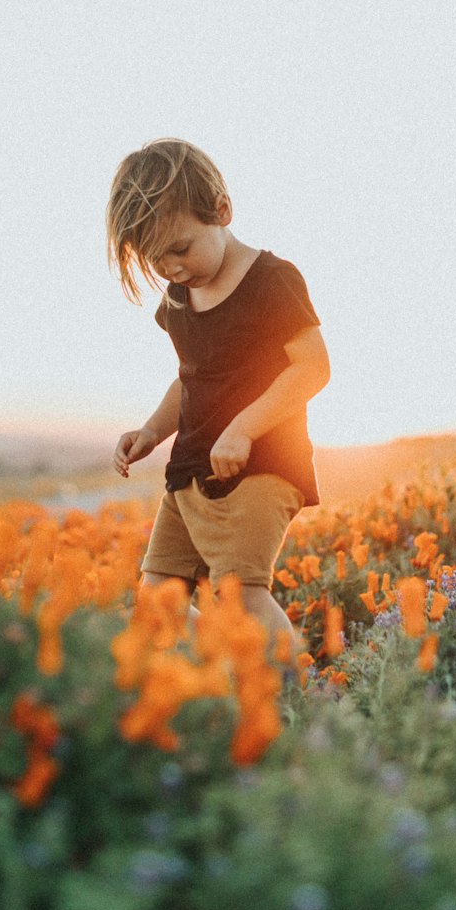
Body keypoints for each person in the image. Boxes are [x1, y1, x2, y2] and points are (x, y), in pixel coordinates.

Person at [106, 138, 330, 662]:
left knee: (241, 594)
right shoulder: (178, 298)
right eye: (154, 257)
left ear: (221, 211)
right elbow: (190, 378)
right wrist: (151, 432)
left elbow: (314, 367)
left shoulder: (272, 282)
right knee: (158, 599)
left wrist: (245, 427)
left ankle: (304, 700)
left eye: (180, 248)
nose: (171, 268)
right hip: (189, 470)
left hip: (261, 464)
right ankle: (232, 674)